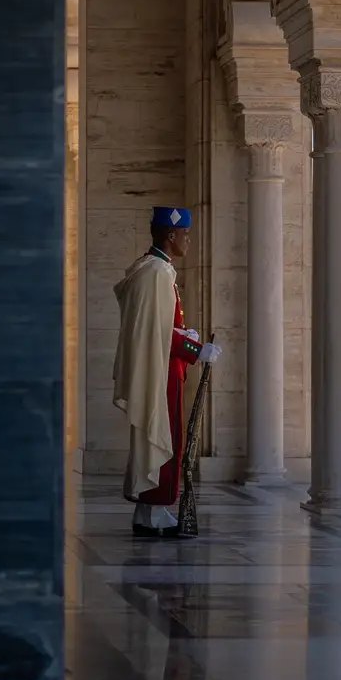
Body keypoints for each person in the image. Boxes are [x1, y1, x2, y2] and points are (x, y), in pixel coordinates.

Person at [113, 206, 222, 538]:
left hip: (161, 366)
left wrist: (185, 335)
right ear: (171, 235)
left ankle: (146, 511)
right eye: (185, 235)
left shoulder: (149, 268)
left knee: (158, 435)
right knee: (165, 436)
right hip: (162, 371)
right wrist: (196, 350)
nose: (188, 241)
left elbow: (158, 326)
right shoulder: (157, 272)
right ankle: (157, 511)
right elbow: (159, 331)